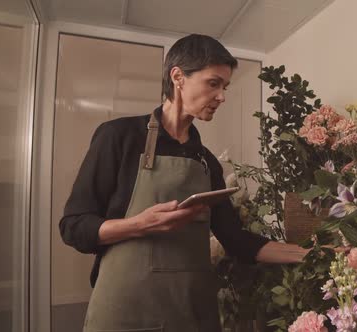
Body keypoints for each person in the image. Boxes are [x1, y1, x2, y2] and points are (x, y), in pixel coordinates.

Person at [59, 34, 309, 332]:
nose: (222, 96)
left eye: (225, 87)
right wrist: (139, 224)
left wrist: (310, 254)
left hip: (191, 311)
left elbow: (236, 240)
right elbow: (73, 227)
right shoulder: (119, 137)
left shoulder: (206, 162)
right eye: (213, 83)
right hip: (126, 312)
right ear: (177, 77)